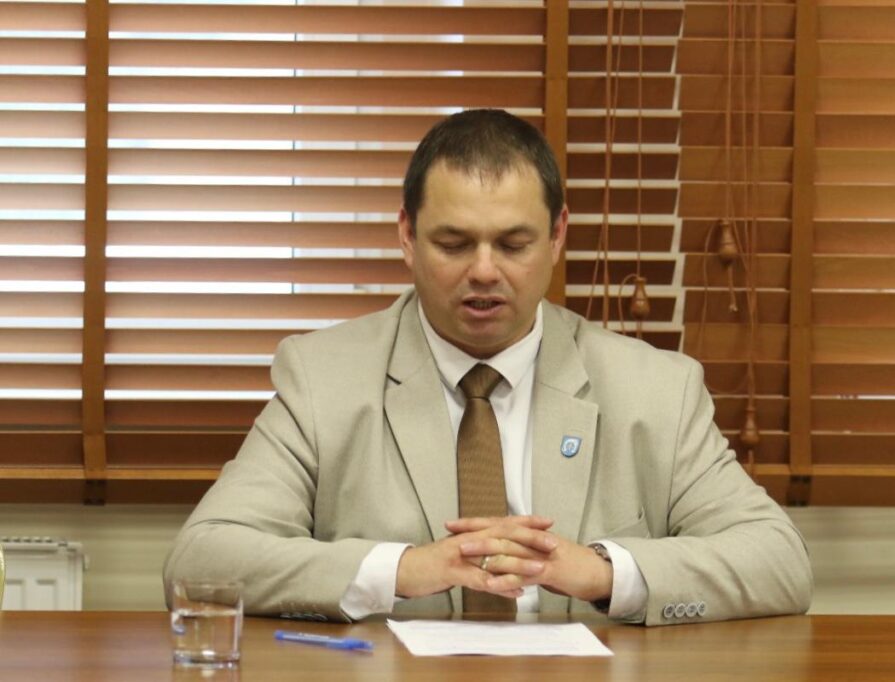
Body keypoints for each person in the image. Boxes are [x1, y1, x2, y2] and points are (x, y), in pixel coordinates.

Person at [164, 109, 812, 626]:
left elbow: (779, 562)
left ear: (557, 235)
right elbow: (200, 561)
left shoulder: (655, 389)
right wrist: (400, 570)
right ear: (406, 236)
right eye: (453, 243)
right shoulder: (322, 377)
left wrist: (603, 572)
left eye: (512, 243)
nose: (483, 271)